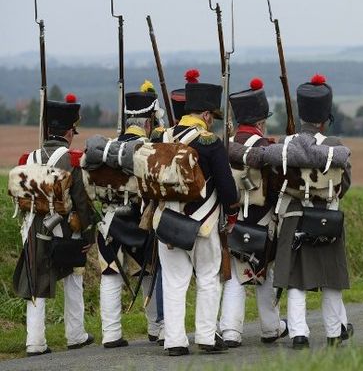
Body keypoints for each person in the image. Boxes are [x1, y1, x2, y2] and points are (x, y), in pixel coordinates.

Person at [157, 69, 238, 356]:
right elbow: (227, 187)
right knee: (207, 277)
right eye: (212, 117)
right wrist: (231, 212)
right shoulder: (209, 142)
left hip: (166, 221)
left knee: (174, 281)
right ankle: (205, 336)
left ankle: (175, 341)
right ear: (206, 115)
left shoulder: (161, 136)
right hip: (203, 222)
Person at [272, 74, 353, 349]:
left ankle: (298, 334)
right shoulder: (335, 146)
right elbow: (345, 184)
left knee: (296, 280)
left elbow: (277, 179)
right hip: (327, 218)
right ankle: (333, 333)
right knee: (331, 280)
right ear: (324, 118)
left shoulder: (286, 146)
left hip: (295, 218)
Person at [11, 93, 95, 355]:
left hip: (33, 228)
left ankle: (35, 342)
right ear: (69, 132)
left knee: (35, 284)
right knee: (73, 280)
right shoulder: (71, 160)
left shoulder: (29, 158)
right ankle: (76, 334)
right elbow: (81, 201)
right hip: (64, 230)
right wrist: (88, 233)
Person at [218, 77, 288, 348]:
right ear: (260, 122)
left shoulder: (225, 144)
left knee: (236, 276)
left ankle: (231, 331)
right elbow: (276, 188)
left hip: (232, 221)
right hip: (262, 220)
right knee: (264, 274)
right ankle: (270, 328)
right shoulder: (265, 148)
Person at [95, 81, 164, 348]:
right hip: (139, 221)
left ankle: (111, 334)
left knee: (110, 275)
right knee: (149, 271)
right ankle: (157, 328)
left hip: (108, 221)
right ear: (148, 121)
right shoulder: (148, 148)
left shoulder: (108, 148)